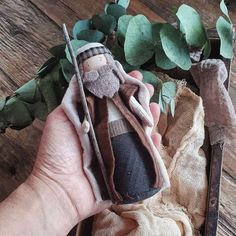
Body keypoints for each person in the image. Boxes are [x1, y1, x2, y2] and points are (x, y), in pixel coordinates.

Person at [0, 71, 162, 235]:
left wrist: (144, 118)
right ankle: (124, 190)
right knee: (116, 167)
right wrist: (84, 126)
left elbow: (134, 106)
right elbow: (86, 118)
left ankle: (149, 183)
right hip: (107, 139)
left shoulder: (122, 92)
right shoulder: (90, 101)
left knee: (142, 160)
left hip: (131, 134)